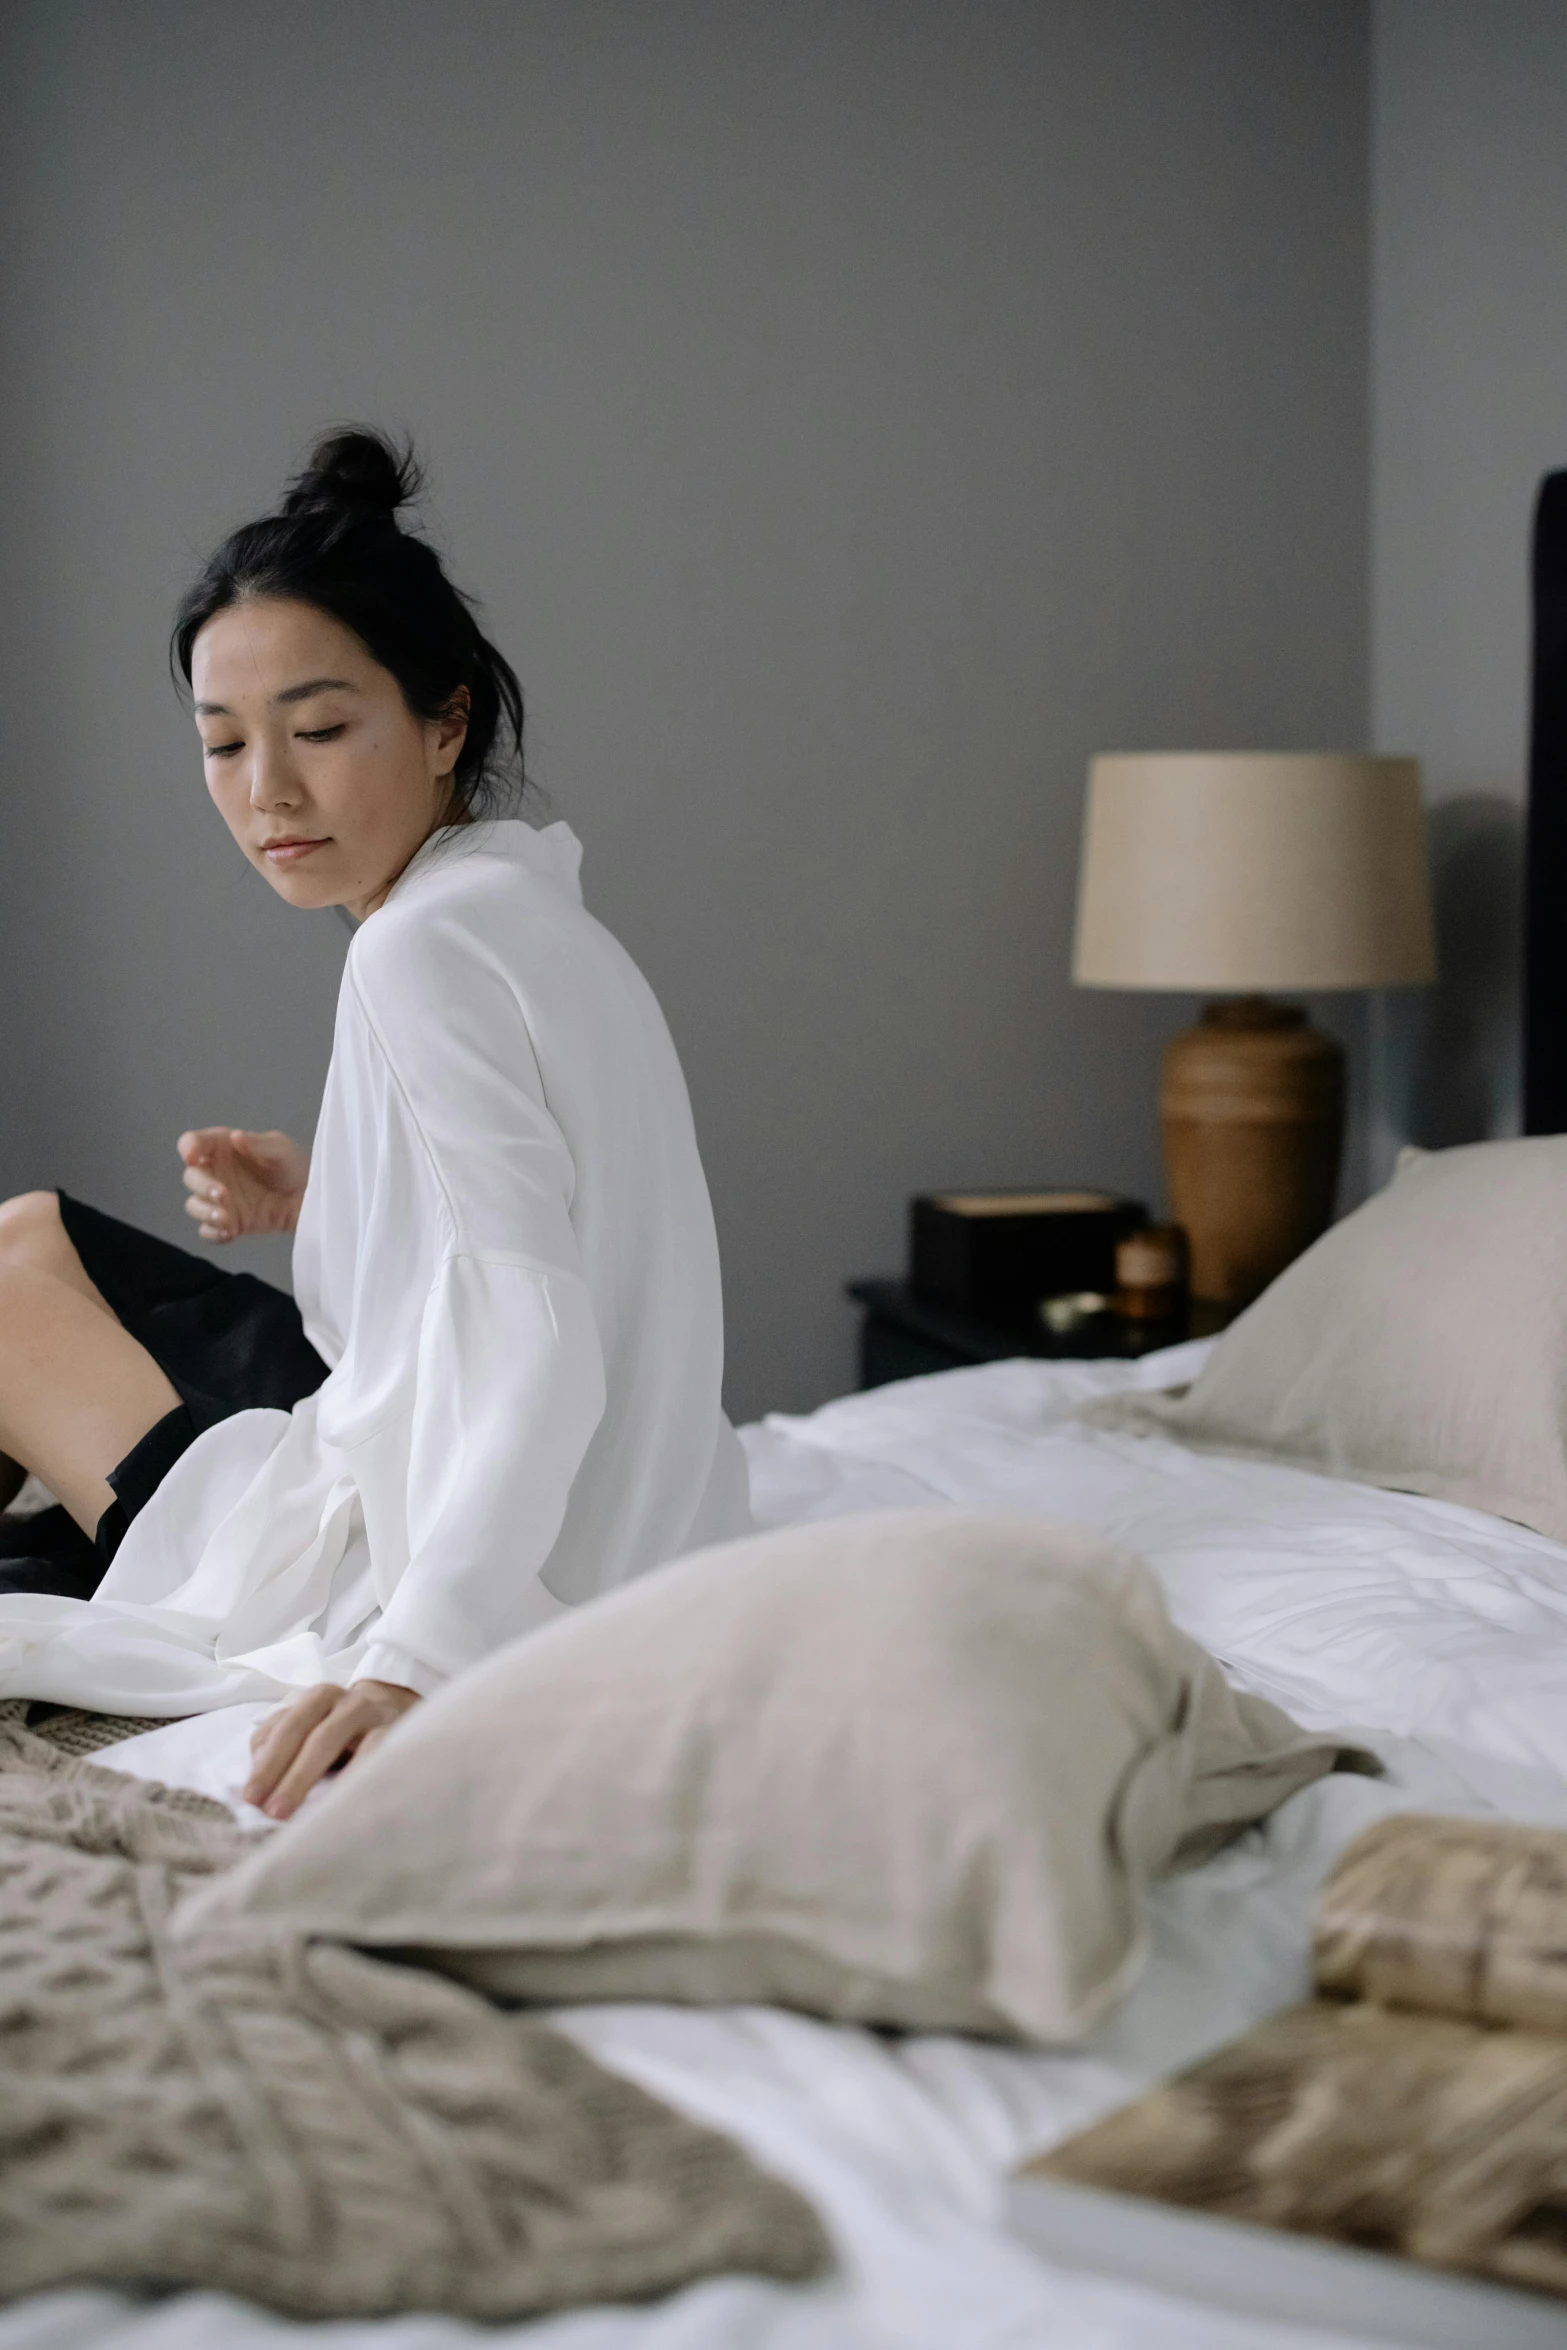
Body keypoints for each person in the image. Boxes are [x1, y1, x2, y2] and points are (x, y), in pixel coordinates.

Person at [0, 429, 748, 1815]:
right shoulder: (519, 901)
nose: (265, 790)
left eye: (321, 727)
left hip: (474, 1561)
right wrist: (331, 1187)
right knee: (29, 1230)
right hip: (633, 1530)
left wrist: (413, 1658)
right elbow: (545, 1211)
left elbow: (538, 1337)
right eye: (223, 743)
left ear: (445, 720)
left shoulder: (415, 951)